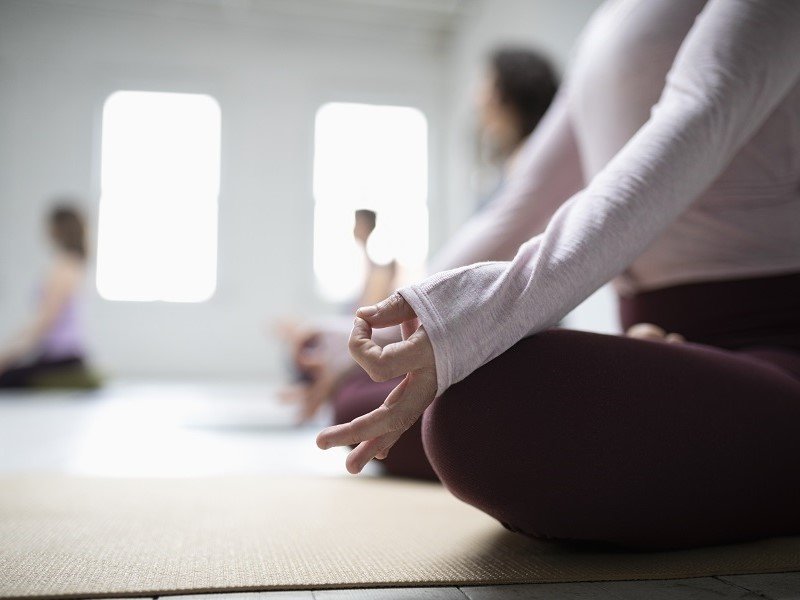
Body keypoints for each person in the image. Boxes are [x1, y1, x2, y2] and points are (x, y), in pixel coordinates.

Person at [316, 0, 800, 550]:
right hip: (665, 345)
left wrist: (486, 313)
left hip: (780, 344)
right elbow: (519, 209)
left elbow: (703, 111)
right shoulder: (609, 24)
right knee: (364, 399)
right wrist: (368, 339)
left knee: (480, 416)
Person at [280, 47, 559, 464]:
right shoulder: (510, 173)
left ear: (501, 94)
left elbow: (465, 273)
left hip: (504, 342)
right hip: (475, 335)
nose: (475, 97)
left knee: (356, 403)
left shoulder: (534, 168)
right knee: (354, 396)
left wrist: (358, 339)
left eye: (483, 85)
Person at [0, 202, 99, 389]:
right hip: (64, 356)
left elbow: (44, 322)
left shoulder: (63, 268)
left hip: (62, 359)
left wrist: (7, 355)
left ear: (56, 229)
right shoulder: (74, 265)